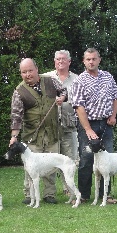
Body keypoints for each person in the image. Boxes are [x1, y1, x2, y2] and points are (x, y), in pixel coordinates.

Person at [9, 58, 67, 205]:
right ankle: (29, 194)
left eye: (30, 70)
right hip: (32, 136)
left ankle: (50, 194)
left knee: (51, 166)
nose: (27, 74)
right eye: (24, 72)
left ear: (36, 69)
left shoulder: (50, 81)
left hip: (52, 132)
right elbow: (16, 116)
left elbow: (64, 90)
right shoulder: (19, 91)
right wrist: (14, 136)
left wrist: (62, 98)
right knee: (30, 168)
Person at [72, 48, 117, 204]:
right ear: (84, 61)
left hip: (106, 123)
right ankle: (84, 195)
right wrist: (87, 129)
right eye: (88, 59)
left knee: (107, 159)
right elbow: (79, 107)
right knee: (86, 159)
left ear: (99, 60)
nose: (91, 62)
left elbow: (116, 97)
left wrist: (113, 115)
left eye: (94, 59)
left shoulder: (108, 77)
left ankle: (105, 195)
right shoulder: (79, 80)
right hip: (88, 124)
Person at [43, 50, 79, 195]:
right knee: (50, 159)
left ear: (69, 62)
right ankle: (49, 192)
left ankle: (68, 189)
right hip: (50, 126)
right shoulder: (46, 77)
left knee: (69, 158)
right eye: (58, 59)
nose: (60, 62)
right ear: (54, 61)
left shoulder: (77, 79)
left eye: (64, 59)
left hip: (69, 124)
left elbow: (80, 100)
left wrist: (66, 98)